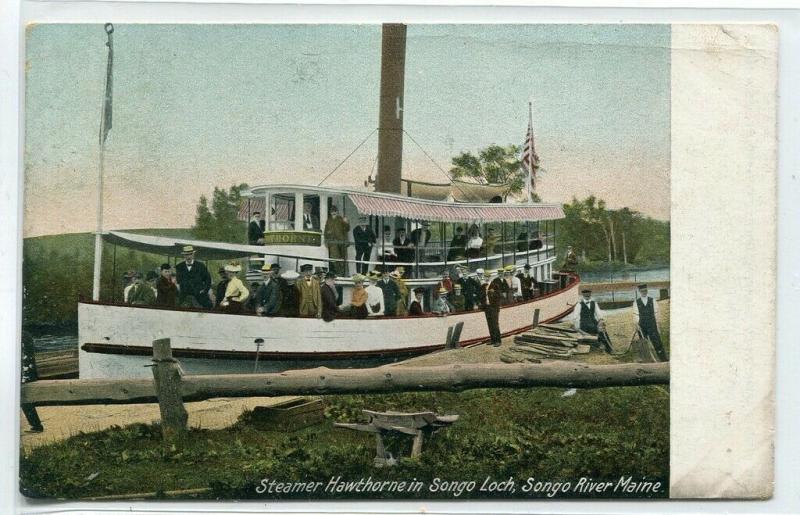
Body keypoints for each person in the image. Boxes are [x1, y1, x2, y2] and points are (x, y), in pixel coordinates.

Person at [634, 284, 668, 361]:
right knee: (643, 343)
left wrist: (658, 325)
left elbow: (656, 313)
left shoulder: (653, 300)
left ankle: (664, 360)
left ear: (647, 290)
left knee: (657, 342)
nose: (644, 292)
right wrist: (637, 324)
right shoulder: (636, 302)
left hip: (652, 324)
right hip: (642, 325)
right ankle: (646, 360)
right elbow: (636, 315)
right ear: (639, 291)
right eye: (642, 291)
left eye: (645, 290)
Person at [323, 205, 350, 276]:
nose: (333, 213)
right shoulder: (328, 220)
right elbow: (325, 231)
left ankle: (344, 273)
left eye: (335, 211)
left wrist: (346, 222)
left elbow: (347, 229)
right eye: (332, 211)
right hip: (332, 243)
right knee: (334, 258)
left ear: (337, 212)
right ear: (330, 212)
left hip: (341, 241)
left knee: (343, 258)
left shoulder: (341, 219)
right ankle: (338, 272)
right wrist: (326, 240)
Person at [480, 270, 503, 346]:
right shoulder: (483, 286)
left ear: (490, 277)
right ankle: (493, 340)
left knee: (495, 324)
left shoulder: (495, 285)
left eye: (487, 277)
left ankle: (498, 341)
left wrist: (493, 292)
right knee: (489, 323)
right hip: (487, 307)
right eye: (485, 277)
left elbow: (499, 296)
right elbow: (481, 297)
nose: (486, 278)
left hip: (494, 307)